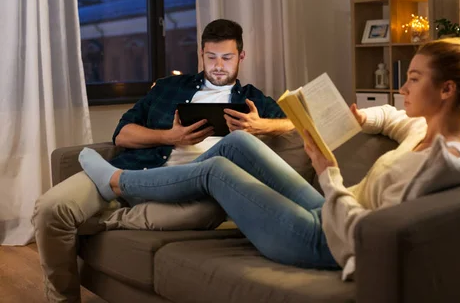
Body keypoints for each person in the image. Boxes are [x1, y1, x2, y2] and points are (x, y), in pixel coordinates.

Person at [78, 31, 460, 281]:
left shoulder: (438, 165)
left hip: (326, 241)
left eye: (414, 79)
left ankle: (116, 182)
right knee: (239, 143)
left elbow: (367, 237)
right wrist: (355, 118)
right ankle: (133, 181)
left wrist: (329, 172)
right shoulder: (423, 128)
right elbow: (390, 116)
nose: (405, 87)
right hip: (330, 212)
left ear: (447, 90)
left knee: (216, 172)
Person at [32, 19, 294, 303]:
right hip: (134, 167)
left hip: (186, 191)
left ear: (241, 56)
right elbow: (122, 135)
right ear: (201, 54)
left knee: (207, 213)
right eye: (211, 57)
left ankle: (100, 219)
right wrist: (170, 136)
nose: (219, 65)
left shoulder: (252, 100)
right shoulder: (168, 88)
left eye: (227, 58)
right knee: (49, 209)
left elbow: (296, 124)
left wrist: (261, 126)